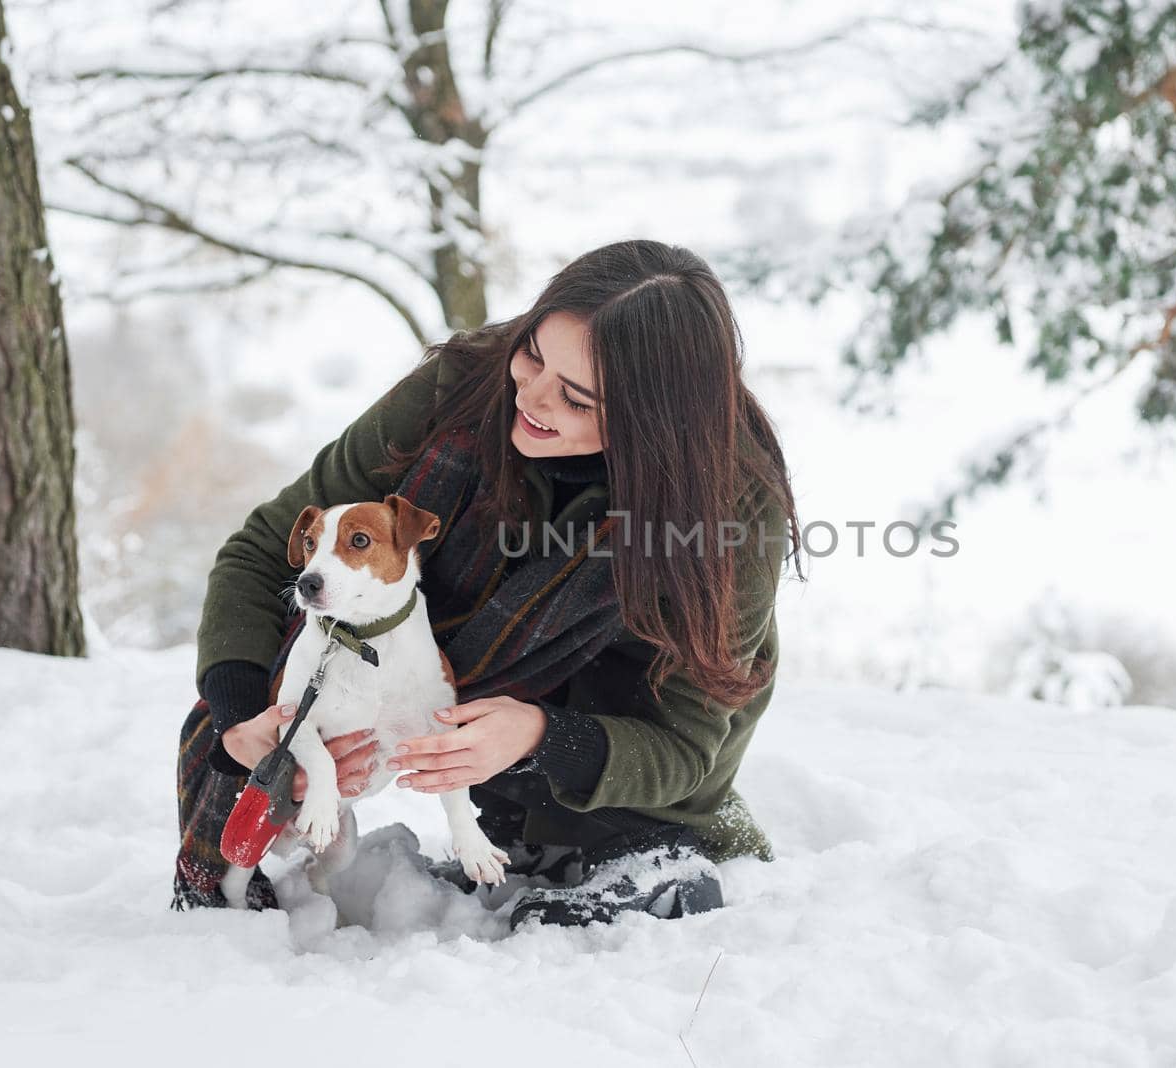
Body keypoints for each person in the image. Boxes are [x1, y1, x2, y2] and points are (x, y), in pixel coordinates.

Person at [171, 239, 805, 929]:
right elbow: (263, 551)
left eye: (578, 398)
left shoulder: (730, 500)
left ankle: (645, 856)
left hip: (616, 728)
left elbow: (684, 743)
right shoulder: (465, 383)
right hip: (441, 660)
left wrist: (540, 735)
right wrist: (244, 721)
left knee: (612, 847)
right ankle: (232, 889)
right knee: (250, 713)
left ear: (655, 421)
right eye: (533, 353)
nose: (529, 397)